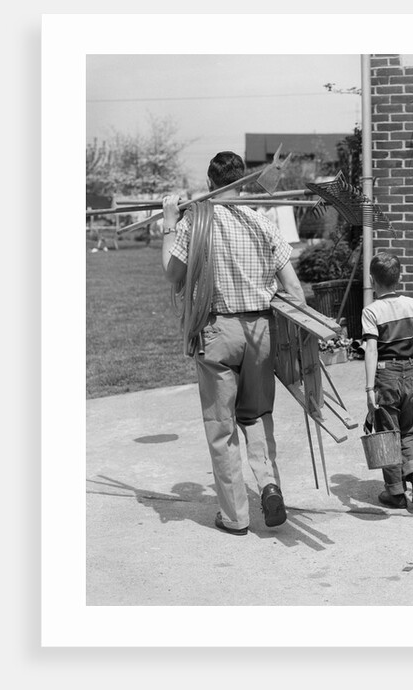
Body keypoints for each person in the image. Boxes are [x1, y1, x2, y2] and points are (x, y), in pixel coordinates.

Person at [160, 151, 306, 536]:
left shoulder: (196, 221)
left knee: (221, 425)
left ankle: (236, 517)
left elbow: (173, 273)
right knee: (256, 416)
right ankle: (269, 485)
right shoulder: (262, 221)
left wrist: (169, 224)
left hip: (218, 333)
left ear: (210, 183)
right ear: (242, 181)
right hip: (260, 332)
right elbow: (293, 289)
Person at [361, 252, 413, 508]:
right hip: (411, 372)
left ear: (372, 281)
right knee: (408, 431)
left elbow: (372, 350)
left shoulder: (371, 311)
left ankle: (396, 492)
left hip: (386, 376)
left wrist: (368, 388)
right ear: (399, 278)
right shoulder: (412, 305)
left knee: (388, 434)